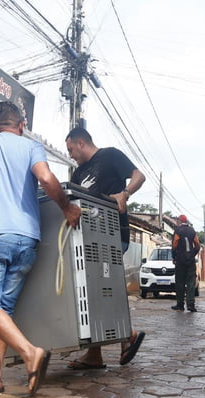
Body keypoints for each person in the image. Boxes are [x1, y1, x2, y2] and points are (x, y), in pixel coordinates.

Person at [0, 101, 81, 396]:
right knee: (3, 308)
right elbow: (46, 177)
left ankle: (30, 353)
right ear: (21, 126)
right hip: (27, 240)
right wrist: (66, 207)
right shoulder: (30, 147)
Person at [65, 127, 146, 370]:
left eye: (70, 149)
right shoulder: (78, 172)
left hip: (112, 233)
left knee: (104, 289)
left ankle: (127, 335)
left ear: (81, 142)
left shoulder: (111, 155)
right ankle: (95, 354)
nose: (70, 155)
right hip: (88, 236)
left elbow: (139, 176)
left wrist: (125, 193)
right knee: (92, 289)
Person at [171, 215, 200, 312]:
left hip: (180, 260)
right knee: (191, 283)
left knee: (180, 282)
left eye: (177, 220)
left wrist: (174, 256)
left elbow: (175, 244)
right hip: (190, 261)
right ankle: (191, 304)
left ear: (180, 221)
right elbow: (197, 245)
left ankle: (180, 304)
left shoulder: (178, 230)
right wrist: (192, 254)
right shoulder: (192, 231)